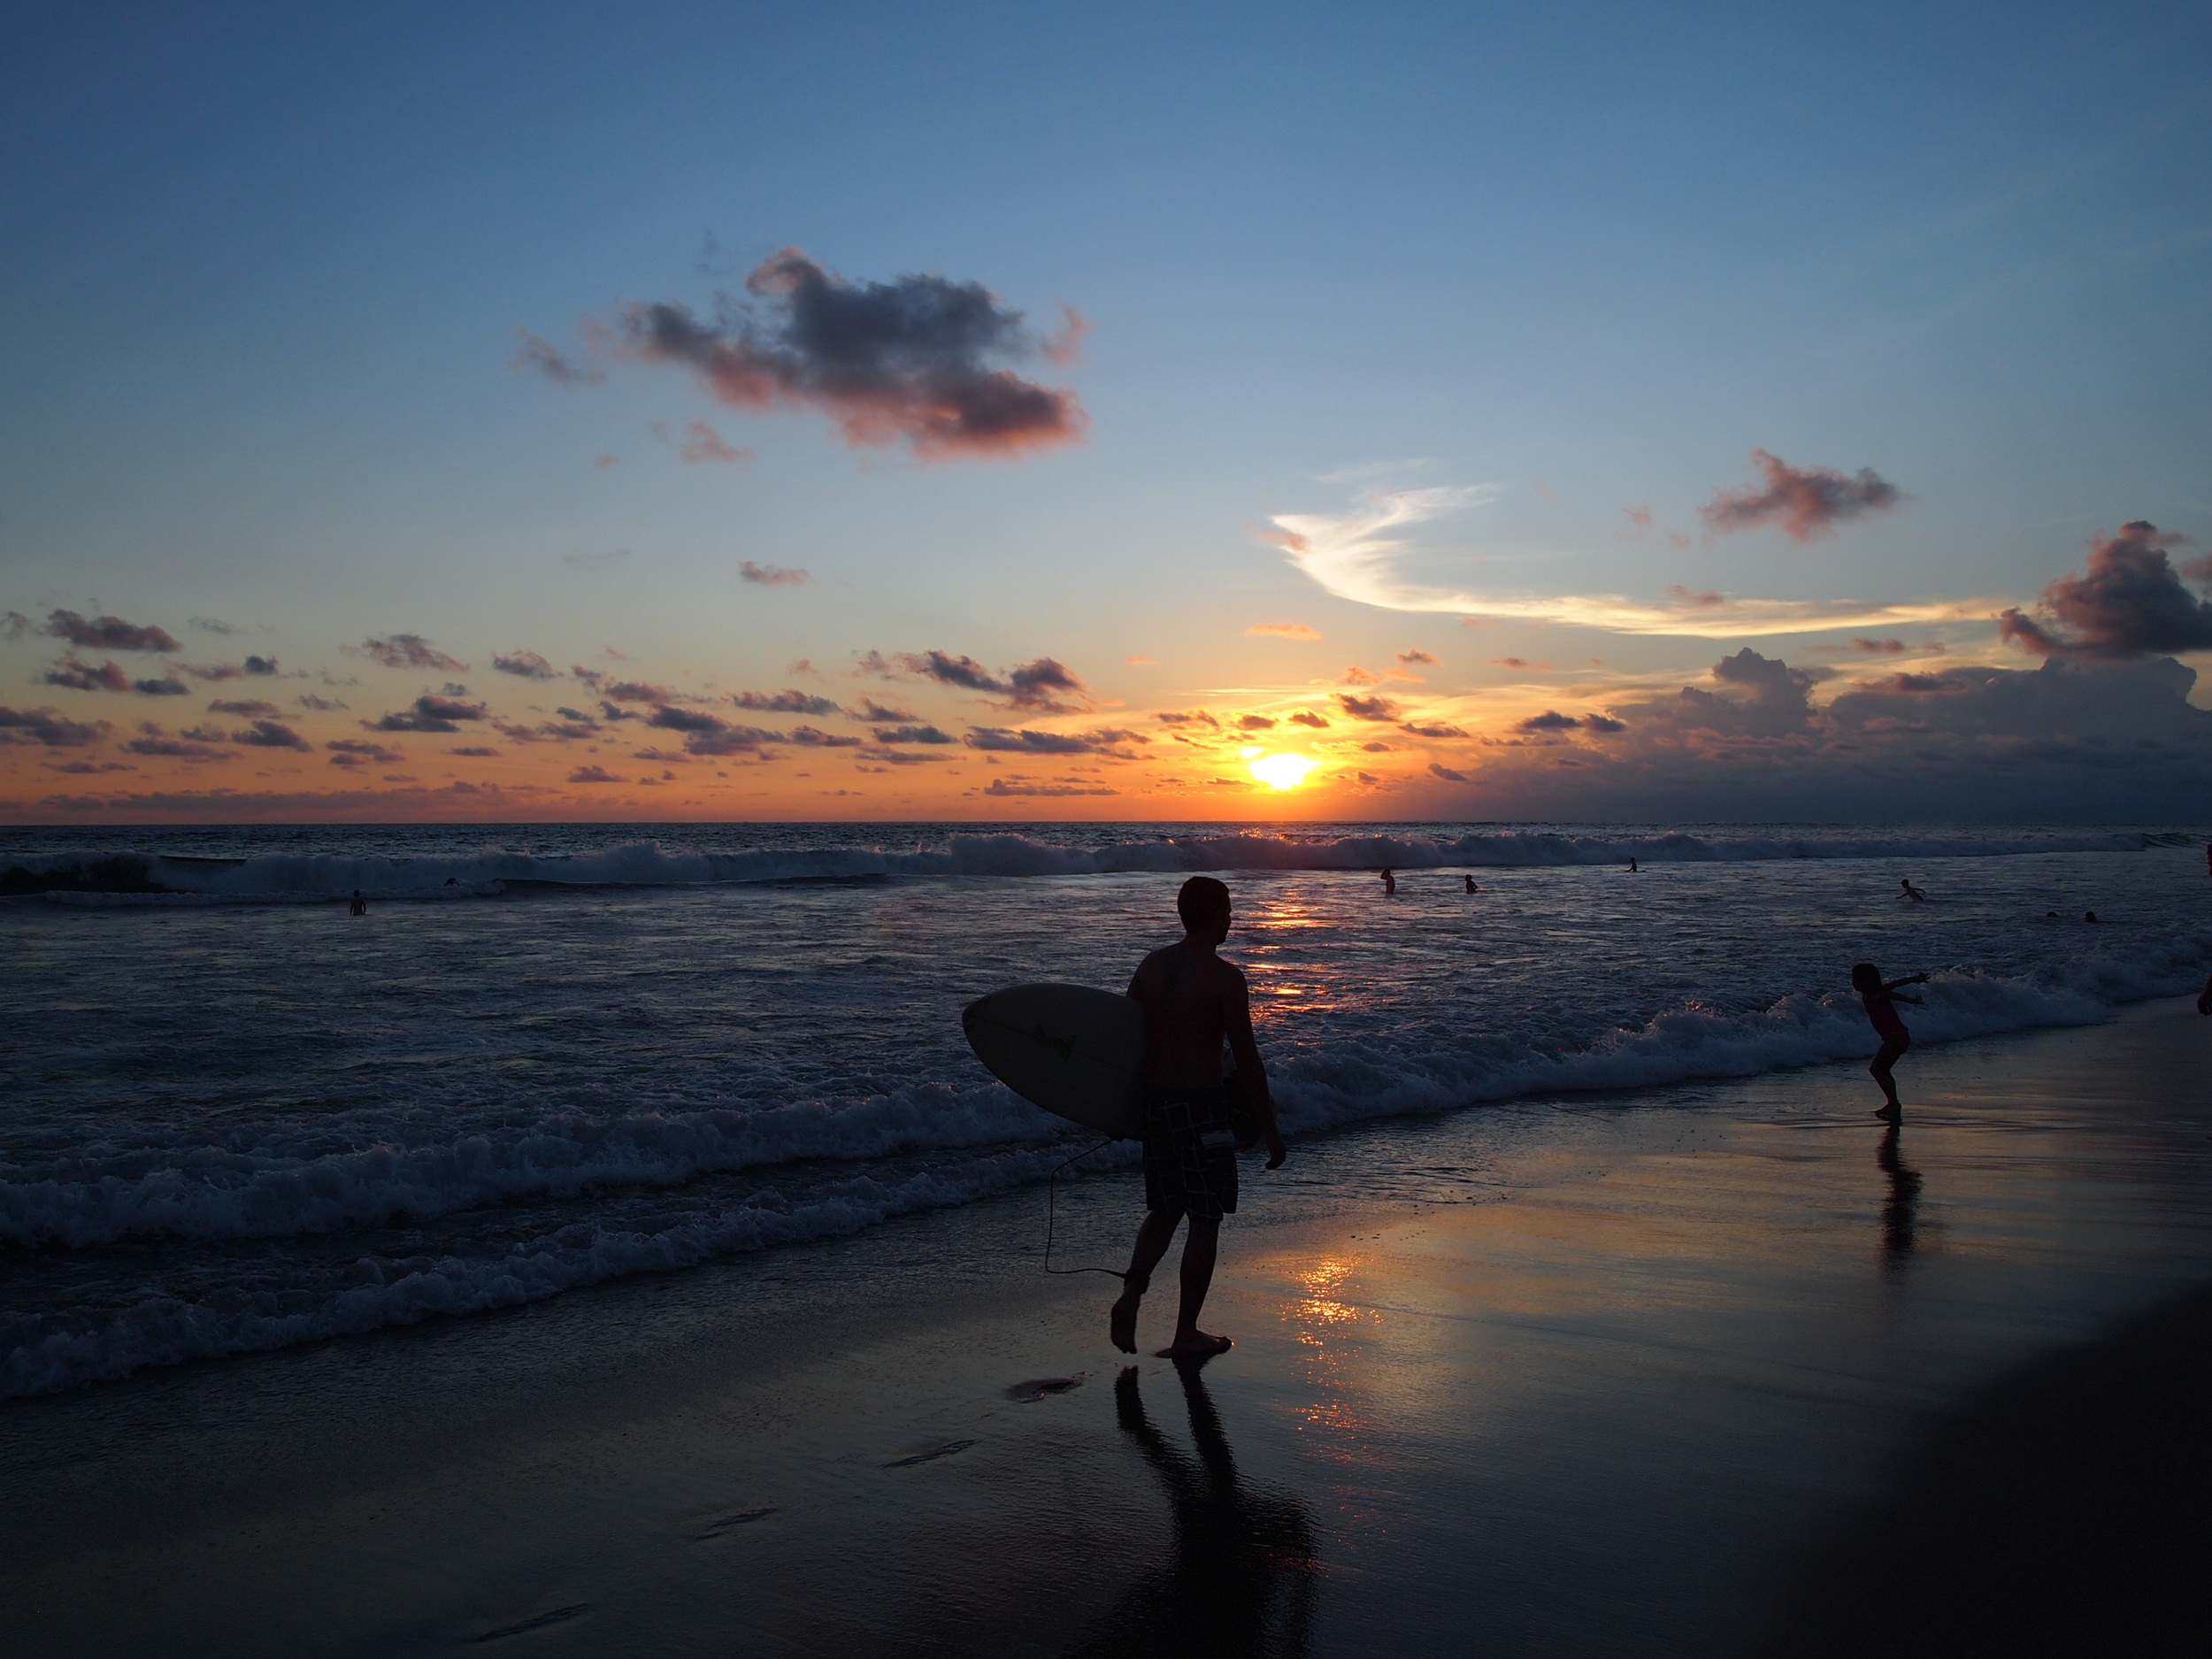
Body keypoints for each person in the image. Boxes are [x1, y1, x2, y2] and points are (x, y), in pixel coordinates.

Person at [1112, 876, 1286, 1360]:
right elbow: (1247, 1061)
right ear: (1212, 915)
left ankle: (1131, 1295)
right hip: (1203, 1111)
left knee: (1165, 1209)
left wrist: (1118, 1113)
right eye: (1227, 910)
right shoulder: (1224, 977)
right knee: (1205, 1220)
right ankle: (1185, 1332)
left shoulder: (1152, 966)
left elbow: (1124, 1043)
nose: (1232, 918)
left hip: (1157, 1107)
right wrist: (1270, 1129)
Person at [1852, 962, 1927, 1121]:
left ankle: (1893, 1103)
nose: (1852, 982)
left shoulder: (1879, 994)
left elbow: (1893, 993)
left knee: (1877, 1069)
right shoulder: (1869, 995)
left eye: (1855, 979)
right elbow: (1898, 982)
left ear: (1864, 981)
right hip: (1894, 1038)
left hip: (1897, 1037)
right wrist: (1916, 978)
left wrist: (1911, 1000)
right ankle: (1893, 1103)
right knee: (1881, 1069)